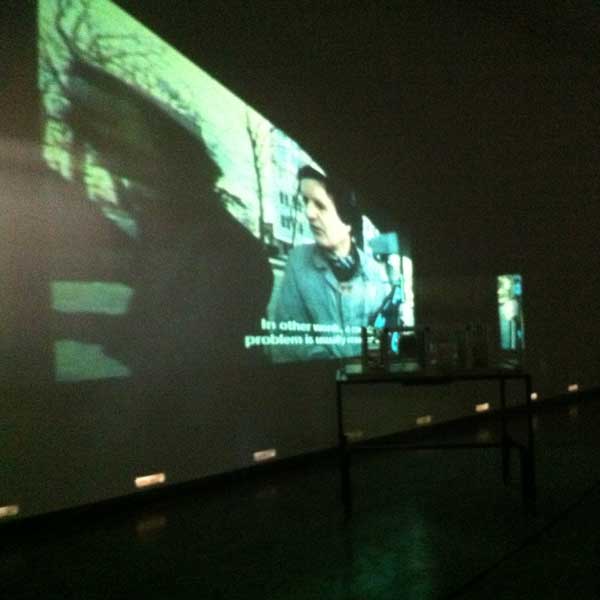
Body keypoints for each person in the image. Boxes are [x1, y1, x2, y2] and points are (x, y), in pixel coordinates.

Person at [273, 165, 389, 361]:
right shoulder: (297, 263)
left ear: (347, 219)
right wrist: (320, 360)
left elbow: (380, 344)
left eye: (320, 205)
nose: (309, 213)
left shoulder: (376, 274)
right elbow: (287, 337)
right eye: (305, 201)